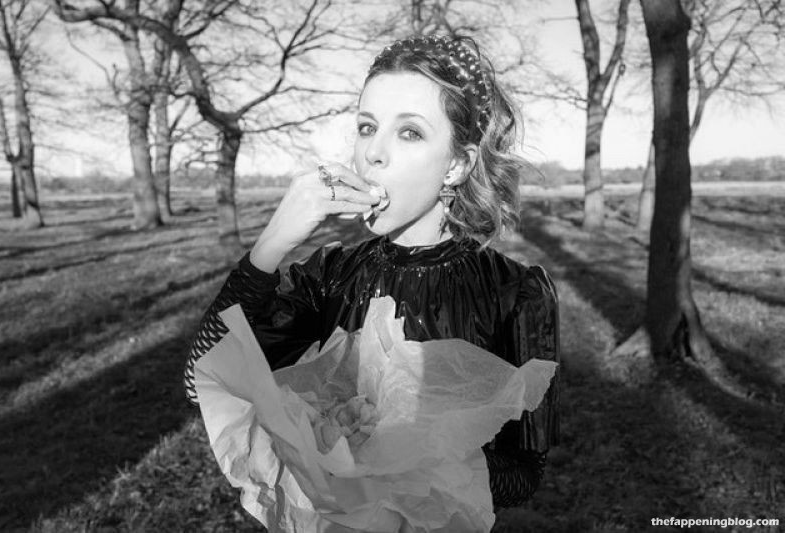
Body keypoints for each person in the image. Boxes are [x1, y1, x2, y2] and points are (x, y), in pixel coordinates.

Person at [184, 34, 560, 512]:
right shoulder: (330, 276)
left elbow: (527, 472)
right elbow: (199, 384)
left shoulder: (517, 293)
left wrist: (406, 463)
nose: (373, 154)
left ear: (457, 164)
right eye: (367, 127)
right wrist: (271, 244)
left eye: (409, 132)